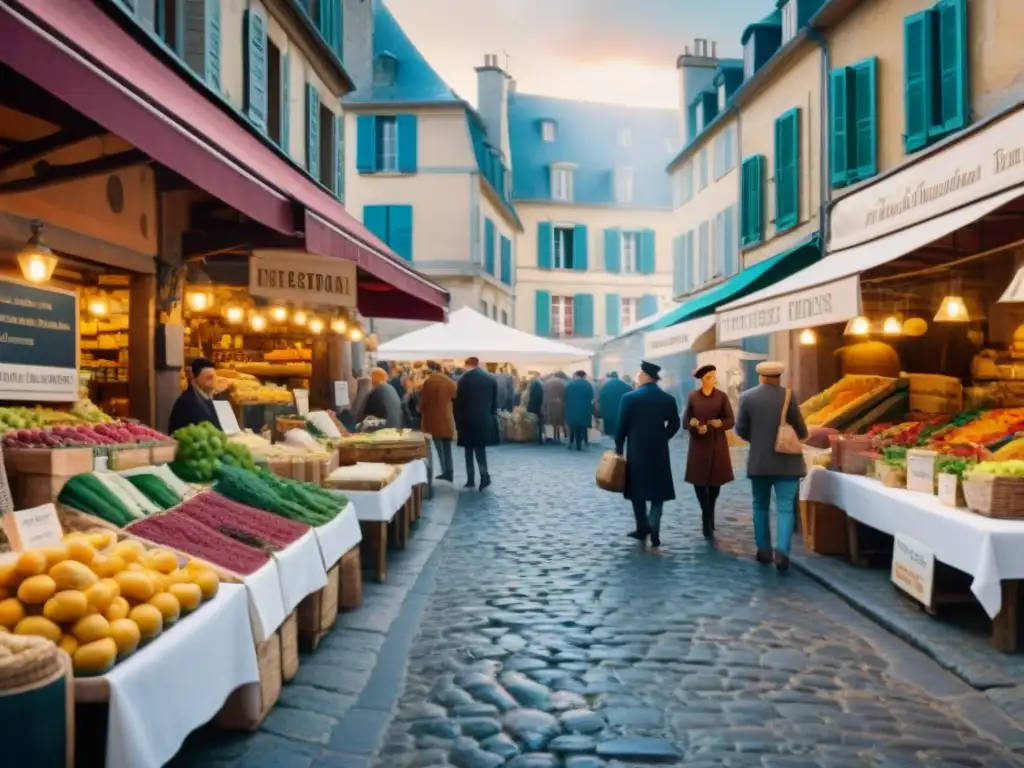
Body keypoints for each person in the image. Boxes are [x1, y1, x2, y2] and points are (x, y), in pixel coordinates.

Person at [734, 360, 809, 572]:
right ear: (779, 377)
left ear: (760, 377)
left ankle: (763, 549)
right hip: (787, 462)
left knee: (760, 505)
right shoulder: (788, 395)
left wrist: (757, 440)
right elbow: (801, 428)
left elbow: (740, 429)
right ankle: (782, 551)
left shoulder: (746, 397)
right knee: (785, 507)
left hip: (759, 462)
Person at [614, 361, 681, 554]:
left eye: (639, 374)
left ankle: (642, 527)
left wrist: (619, 446)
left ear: (645, 376)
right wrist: (664, 437)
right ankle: (655, 527)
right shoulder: (667, 399)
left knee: (638, 490)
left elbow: (621, 425)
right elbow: (675, 423)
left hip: (636, 449)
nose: (637, 376)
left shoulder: (629, 398)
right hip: (659, 449)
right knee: (658, 492)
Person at [683, 365, 735, 540]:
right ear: (702, 379)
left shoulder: (721, 397)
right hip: (699, 445)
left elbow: (730, 419)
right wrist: (696, 425)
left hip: (717, 445)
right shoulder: (693, 397)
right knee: (699, 482)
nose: (713, 379)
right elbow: (685, 420)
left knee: (715, 484)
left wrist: (721, 423)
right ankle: (706, 516)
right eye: (709, 377)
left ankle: (710, 510)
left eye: (714, 376)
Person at [454, 356, 499, 489]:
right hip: (484, 420)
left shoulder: (463, 380)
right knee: (480, 450)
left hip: (467, 420)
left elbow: (459, 403)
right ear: (477, 364)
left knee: (468, 451)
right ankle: (484, 476)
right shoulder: (490, 379)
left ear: (467, 365)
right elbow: (494, 403)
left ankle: (470, 479)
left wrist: (457, 420)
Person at [419, 361, 457, 481]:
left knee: (438, 448)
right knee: (447, 447)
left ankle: (444, 471)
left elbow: (423, 403)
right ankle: (449, 471)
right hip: (447, 419)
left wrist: (420, 409)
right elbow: (455, 397)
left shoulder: (429, 382)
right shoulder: (449, 382)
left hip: (433, 420)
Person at [168, 357, 222, 434]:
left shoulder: (217, 398)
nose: (213, 381)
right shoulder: (186, 403)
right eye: (208, 378)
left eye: (213, 377)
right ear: (194, 380)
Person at [564, 370, 595, 451]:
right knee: (583, 427)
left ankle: (571, 442)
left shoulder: (570, 384)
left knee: (573, 427)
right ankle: (583, 442)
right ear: (584, 376)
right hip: (584, 408)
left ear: (576, 375)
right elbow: (591, 397)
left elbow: (565, 396)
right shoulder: (588, 385)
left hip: (572, 408)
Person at [598, 371, 630, 438]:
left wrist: (601, 410)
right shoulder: (624, 385)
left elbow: (601, 399)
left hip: (608, 411)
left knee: (610, 430)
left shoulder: (605, 386)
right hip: (621, 409)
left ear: (610, 377)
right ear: (617, 376)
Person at [542, 373, 566, 443]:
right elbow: (564, 394)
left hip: (549, 404)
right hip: (560, 404)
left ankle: (551, 436)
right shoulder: (562, 383)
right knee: (558, 422)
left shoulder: (547, 383)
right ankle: (558, 436)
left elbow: (545, 394)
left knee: (551, 422)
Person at [527, 373, 545, 444]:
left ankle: (533, 436)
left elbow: (530, 396)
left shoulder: (532, 386)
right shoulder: (540, 386)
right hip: (539, 406)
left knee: (533, 422)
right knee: (539, 422)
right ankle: (539, 436)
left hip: (532, 406)